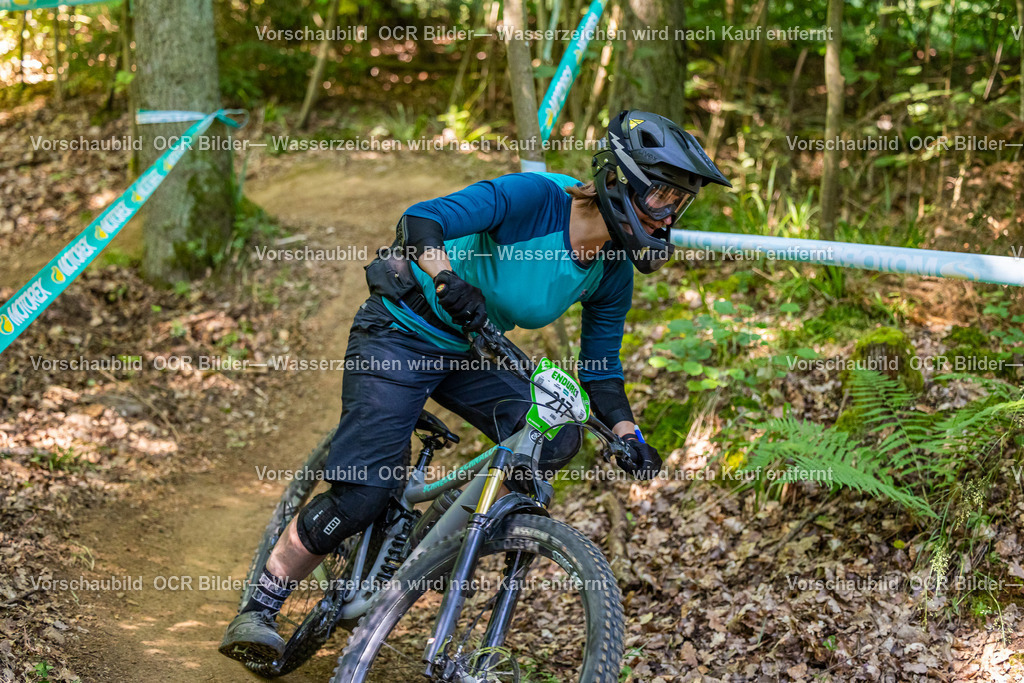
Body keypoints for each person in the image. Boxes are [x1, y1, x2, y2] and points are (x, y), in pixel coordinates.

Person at [219, 110, 732, 664]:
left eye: (679, 203)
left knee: (557, 438)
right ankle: (261, 605)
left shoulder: (612, 271)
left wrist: (629, 436)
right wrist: (445, 278)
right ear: (620, 180)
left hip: (472, 351)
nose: (668, 214)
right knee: (363, 493)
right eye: (662, 196)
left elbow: (601, 372)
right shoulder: (538, 199)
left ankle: (446, 546)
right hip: (400, 329)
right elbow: (422, 221)